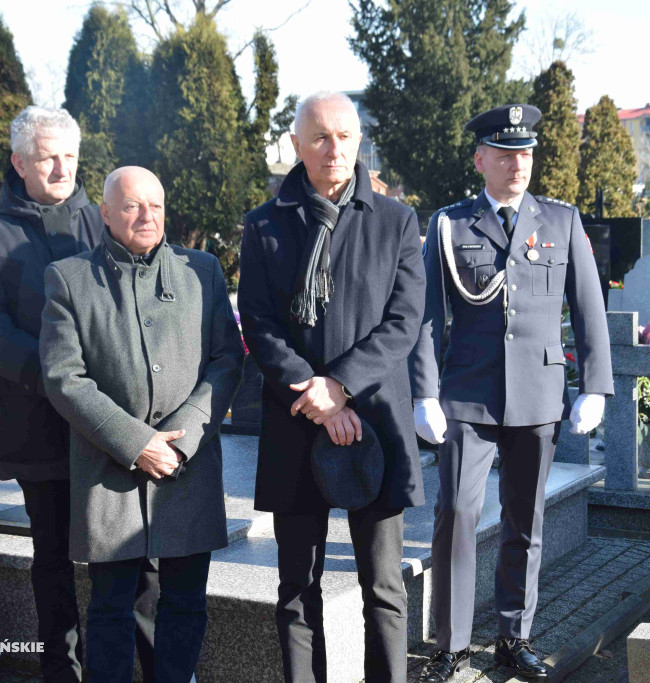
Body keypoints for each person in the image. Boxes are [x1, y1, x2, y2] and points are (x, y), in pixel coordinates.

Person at [409, 104, 614, 681]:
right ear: (481, 160)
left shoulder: (560, 221)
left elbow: (588, 306)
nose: (517, 164)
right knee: (457, 514)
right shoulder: (450, 225)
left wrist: (595, 385)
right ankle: (451, 645)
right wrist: (424, 393)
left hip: (538, 393)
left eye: (524, 154)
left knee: (526, 520)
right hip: (467, 394)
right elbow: (427, 316)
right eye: (504, 154)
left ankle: (513, 638)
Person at [0, 106, 158, 682]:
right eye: (47, 157)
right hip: (39, 426)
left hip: (116, 423)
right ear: (19, 162)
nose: (62, 169)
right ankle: (62, 671)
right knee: (53, 560)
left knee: (136, 557)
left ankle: (155, 667)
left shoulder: (106, 220)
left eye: (70, 156)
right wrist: (63, 380)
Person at [238, 91, 425, 683]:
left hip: (375, 419)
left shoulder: (395, 221)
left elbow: (404, 321)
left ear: (359, 141)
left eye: (344, 136)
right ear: (297, 144)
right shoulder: (265, 224)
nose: (334, 148)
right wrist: (316, 397)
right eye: (320, 137)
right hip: (296, 418)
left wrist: (340, 386)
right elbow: (259, 322)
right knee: (297, 587)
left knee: (384, 588)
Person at [40, 166, 244, 682]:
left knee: (186, 602)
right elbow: (64, 377)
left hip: (188, 466)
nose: (146, 216)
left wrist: (181, 439)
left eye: (155, 205)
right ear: (106, 213)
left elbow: (226, 361)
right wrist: (135, 442)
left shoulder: (203, 271)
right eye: (131, 206)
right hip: (108, 470)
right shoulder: (69, 278)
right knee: (111, 606)